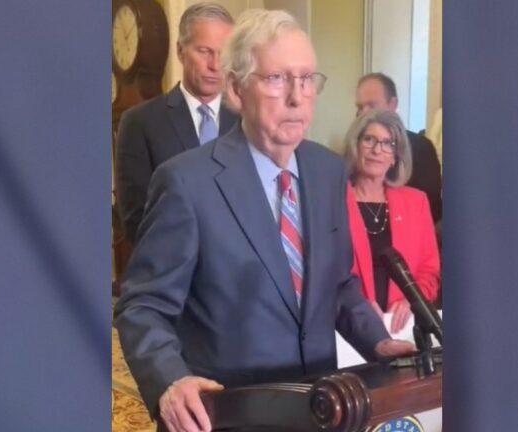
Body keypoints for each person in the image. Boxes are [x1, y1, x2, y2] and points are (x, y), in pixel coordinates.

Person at [115, 10, 415, 432]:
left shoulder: (327, 171)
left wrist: (377, 341)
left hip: (320, 408)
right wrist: (171, 379)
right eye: (277, 79)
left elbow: (339, 282)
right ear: (237, 89)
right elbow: (142, 306)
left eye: (307, 79)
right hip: (229, 414)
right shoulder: (186, 181)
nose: (297, 97)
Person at [115, 3, 239, 244]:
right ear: (181, 51)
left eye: (223, 54)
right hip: (175, 273)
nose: (215, 65)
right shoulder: (139, 123)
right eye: (204, 51)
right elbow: (136, 221)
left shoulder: (246, 121)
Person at [344, 109, 441, 334]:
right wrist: (356, 306)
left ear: (396, 156)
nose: (377, 150)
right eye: (369, 140)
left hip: (403, 328)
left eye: (388, 143)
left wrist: (413, 302)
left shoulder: (416, 202)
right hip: (349, 327)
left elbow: (429, 271)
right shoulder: (333, 199)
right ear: (355, 145)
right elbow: (325, 273)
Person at [355, 73, 443, 223]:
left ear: (393, 104)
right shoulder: (353, 147)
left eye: (371, 105)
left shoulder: (422, 149)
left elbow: (431, 209)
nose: (363, 113)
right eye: (360, 107)